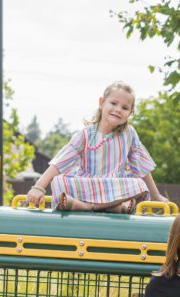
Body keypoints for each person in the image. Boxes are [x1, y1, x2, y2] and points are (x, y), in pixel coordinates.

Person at [26, 81, 165, 213]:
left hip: (114, 186)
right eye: (114, 103)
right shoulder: (85, 134)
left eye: (125, 108)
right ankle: (112, 207)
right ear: (101, 103)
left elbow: (142, 167)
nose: (118, 109)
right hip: (88, 184)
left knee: (139, 185)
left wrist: (156, 196)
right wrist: (38, 187)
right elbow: (59, 163)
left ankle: (84, 206)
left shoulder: (129, 133)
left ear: (130, 113)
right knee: (58, 181)